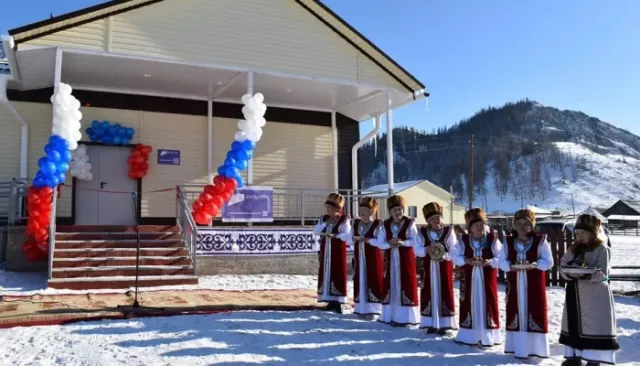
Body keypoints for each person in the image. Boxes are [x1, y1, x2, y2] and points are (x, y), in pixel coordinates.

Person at [559, 214, 619, 366]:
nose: (578, 237)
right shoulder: (573, 249)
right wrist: (569, 273)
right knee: (574, 325)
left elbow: (603, 273)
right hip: (575, 292)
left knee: (593, 326)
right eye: (577, 233)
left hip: (595, 296)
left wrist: (586, 274)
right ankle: (574, 358)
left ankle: (593, 359)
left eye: (582, 233)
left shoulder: (602, 249)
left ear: (592, 233)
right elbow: (563, 266)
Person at [498, 208, 554, 359]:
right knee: (515, 311)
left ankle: (536, 349)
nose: (522, 227)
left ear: (532, 225)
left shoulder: (540, 241)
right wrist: (510, 266)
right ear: (514, 225)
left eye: (526, 224)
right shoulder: (508, 241)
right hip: (514, 284)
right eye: (519, 224)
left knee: (535, 310)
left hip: (534, 285)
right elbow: (500, 261)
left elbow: (549, 262)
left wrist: (535, 265)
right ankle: (518, 349)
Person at [453, 207, 502, 347]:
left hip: (487, 280)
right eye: (476, 225)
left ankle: (488, 336)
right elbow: (455, 257)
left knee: (489, 304)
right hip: (469, 280)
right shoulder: (463, 241)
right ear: (470, 228)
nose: (480, 228)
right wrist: (467, 261)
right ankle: (469, 336)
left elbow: (502, 257)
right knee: (469, 303)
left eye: (482, 224)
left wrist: (490, 262)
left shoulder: (492, 240)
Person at [368, 194, 420, 326]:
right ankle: (391, 315)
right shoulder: (385, 225)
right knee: (391, 284)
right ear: (390, 212)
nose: (397, 212)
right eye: (394, 210)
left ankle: (406, 318)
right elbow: (380, 242)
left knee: (406, 283)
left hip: (405, 259)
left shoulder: (410, 223)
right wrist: (389, 244)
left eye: (400, 209)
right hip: (391, 259)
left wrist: (403, 243)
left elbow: (416, 241)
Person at [415, 202, 458, 334]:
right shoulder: (422, 232)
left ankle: (445, 323)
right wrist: (425, 250)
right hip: (428, 267)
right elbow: (416, 250)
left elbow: (454, 250)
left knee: (445, 291)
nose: (435, 221)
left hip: (444, 266)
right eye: (432, 219)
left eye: (438, 218)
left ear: (442, 218)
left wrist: (445, 256)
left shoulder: (448, 231)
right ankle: (431, 323)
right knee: (429, 291)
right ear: (428, 220)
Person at [314, 192, 352, 313]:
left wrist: (336, 235)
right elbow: (316, 231)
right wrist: (326, 224)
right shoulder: (323, 219)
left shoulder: (344, 219)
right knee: (326, 273)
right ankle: (329, 300)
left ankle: (339, 301)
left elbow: (348, 235)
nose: (328, 210)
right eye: (327, 208)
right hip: (326, 250)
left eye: (331, 208)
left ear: (338, 208)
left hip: (337, 251)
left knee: (338, 272)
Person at [348, 197, 384, 319]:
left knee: (373, 278)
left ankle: (374, 309)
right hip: (359, 257)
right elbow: (349, 238)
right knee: (360, 278)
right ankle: (361, 307)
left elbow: (380, 241)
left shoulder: (378, 224)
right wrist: (354, 238)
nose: (362, 213)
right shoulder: (356, 223)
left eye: (365, 210)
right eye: (360, 210)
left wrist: (368, 240)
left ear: (371, 212)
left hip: (373, 257)